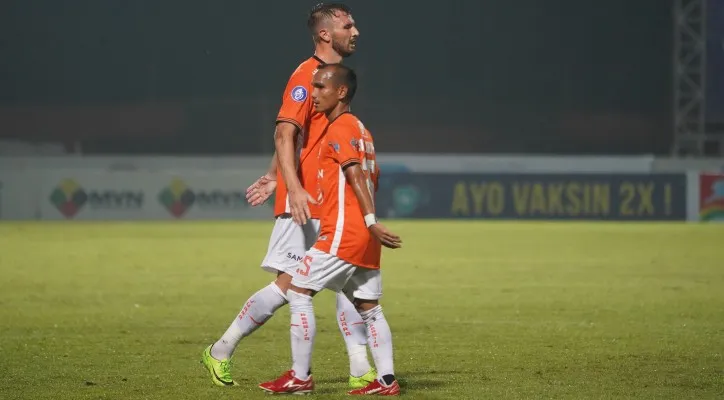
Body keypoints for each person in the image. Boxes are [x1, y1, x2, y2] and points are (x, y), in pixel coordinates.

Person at [201, 3, 376, 389]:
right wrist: (290, 186)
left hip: (327, 197)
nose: (356, 30)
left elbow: (299, 134)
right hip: (304, 199)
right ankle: (221, 349)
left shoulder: (333, 78)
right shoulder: (307, 75)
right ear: (325, 34)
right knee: (289, 286)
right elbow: (284, 132)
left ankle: (361, 369)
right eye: (348, 25)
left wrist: (271, 174)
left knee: (349, 279)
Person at [259, 63, 402, 396]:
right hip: (362, 238)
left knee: (298, 291)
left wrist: (368, 221)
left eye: (321, 87)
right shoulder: (362, 129)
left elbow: (354, 174)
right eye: (313, 87)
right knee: (369, 307)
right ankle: (386, 381)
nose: (314, 94)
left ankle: (300, 377)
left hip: (344, 233)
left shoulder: (339, 128)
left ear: (342, 92)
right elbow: (370, 177)